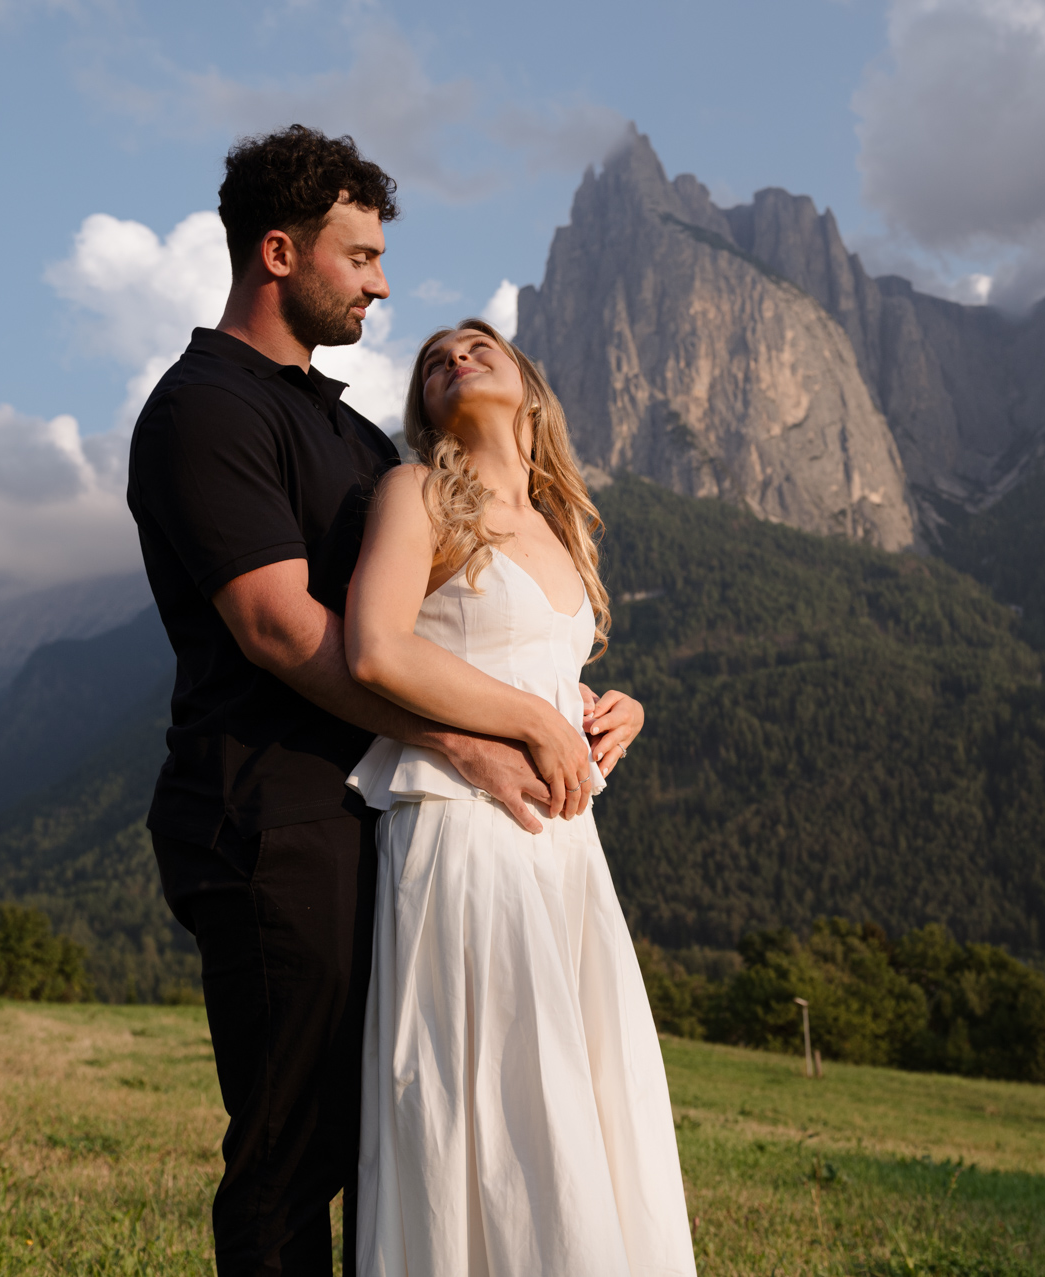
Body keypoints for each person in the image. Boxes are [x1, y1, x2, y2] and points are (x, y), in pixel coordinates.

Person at [127, 125, 618, 1276]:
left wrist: (576, 697)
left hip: (376, 822)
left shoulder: (351, 434)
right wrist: (472, 738)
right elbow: (280, 627)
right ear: (281, 252)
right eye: (360, 257)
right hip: (266, 818)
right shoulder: (206, 409)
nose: (383, 283)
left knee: (397, 1139)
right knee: (292, 1156)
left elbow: (450, 620)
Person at [342, 319, 696, 1276]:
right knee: (489, 1097)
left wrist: (603, 709)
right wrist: (530, 726)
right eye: (432, 361)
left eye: (477, 346)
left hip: (564, 847)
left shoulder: (560, 525)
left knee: (581, 1097)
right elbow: (376, 649)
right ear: (423, 407)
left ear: (531, 391)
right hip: (462, 829)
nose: (454, 357)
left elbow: (532, 665)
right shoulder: (414, 493)